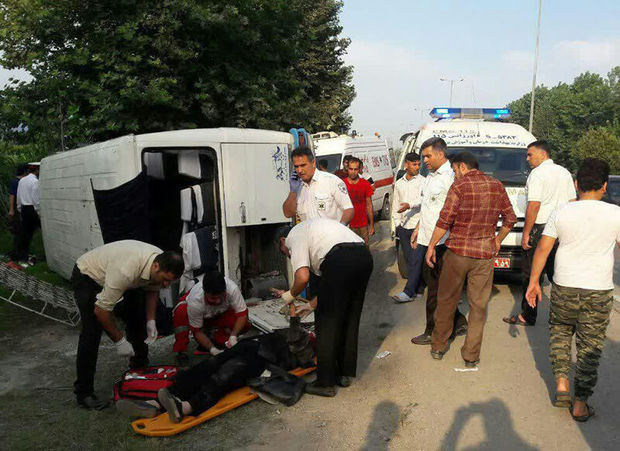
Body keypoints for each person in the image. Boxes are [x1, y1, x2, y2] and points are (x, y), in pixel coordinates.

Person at [525, 158, 620, 422]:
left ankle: (562, 386)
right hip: (598, 289)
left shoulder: (561, 212)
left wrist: (534, 281)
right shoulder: (616, 214)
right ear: (604, 186)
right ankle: (580, 404)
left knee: (560, 335)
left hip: (564, 285)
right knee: (590, 346)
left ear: (576, 184)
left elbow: (543, 249)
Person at [117, 309, 315, 422]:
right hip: (253, 345)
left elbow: (301, 356)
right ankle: (157, 403)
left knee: (226, 373)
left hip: (266, 359)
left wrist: (302, 333)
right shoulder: (309, 326)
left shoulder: (314, 347)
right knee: (212, 363)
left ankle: (185, 407)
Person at [72, 240, 184, 410]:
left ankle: (139, 366)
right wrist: (119, 341)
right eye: (166, 280)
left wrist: (151, 320)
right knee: (91, 332)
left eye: (171, 282)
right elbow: (101, 311)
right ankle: (84, 393)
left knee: (136, 317)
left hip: (125, 273)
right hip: (89, 275)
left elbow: (153, 288)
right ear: (155, 267)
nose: (166, 285)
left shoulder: (160, 262)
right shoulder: (125, 271)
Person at [428, 152, 517, 365]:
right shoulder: (496, 185)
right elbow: (510, 218)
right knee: (478, 307)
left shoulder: (459, 187)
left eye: (454, 169)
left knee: (446, 300)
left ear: (461, 167)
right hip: (484, 256)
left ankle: (439, 346)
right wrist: (497, 240)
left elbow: (444, 220)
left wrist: (431, 245)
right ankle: (471, 355)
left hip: (457, 253)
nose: (454, 174)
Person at [276, 218, 373, 397]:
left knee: (326, 322)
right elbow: (332, 287)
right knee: (349, 315)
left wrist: (289, 295)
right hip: (363, 256)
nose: (288, 256)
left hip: (340, 259)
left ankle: (325, 383)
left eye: (285, 253)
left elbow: (303, 277)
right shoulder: (314, 232)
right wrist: (311, 305)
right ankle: (344, 373)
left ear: (283, 241)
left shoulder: (293, 237)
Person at [504, 140, 576, 327]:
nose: (527, 159)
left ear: (543, 154)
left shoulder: (537, 174)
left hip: (542, 229)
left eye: (530, 154)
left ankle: (528, 315)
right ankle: (568, 314)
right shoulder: (565, 172)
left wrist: (527, 233)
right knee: (558, 273)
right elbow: (572, 201)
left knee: (531, 273)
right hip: (562, 228)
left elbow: (534, 205)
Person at [410, 138, 467, 345]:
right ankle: (459, 322)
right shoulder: (430, 176)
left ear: (441, 154)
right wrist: (418, 229)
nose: (424, 160)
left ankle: (432, 331)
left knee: (435, 291)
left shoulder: (450, 178)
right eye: (423, 156)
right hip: (428, 239)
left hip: (442, 243)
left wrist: (437, 242)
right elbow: (428, 207)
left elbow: (452, 213)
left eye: (427, 156)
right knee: (438, 287)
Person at [172, 271, 250, 366]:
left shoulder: (232, 289)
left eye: (220, 297)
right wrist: (212, 350)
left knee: (244, 324)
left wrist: (233, 336)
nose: (217, 301)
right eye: (213, 298)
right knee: (181, 313)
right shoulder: (195, 301)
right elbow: (197, 331)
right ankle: (181, 352)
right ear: (205, 293)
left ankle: (221, 341)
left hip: (218, 313)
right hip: (199, 314)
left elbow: (242, 315)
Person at [282, 147, 354, 224]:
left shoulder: (332, 181)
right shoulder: (297, 187)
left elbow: (349, 209)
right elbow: (288, 214)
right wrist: (293, 192)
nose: (299, 170)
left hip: (331, 234)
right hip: (309, 234)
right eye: (296, 166)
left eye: (303, 165)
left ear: (313, 163)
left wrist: (339, 228)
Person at [391, 153, 425, 303]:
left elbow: (424, 200)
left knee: (417, 259)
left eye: (419, 164)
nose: (417, 167)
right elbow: (395, 205)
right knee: (410, 259)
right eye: (414, 164)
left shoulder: (424, 182)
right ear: (406, 165)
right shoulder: (399, 183)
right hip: (404, 226)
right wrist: (396, 225)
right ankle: (419, 288)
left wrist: (410, 205)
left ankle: (408, 291)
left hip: (418, 226)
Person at [344, 157, 375, 243]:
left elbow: (369, 205)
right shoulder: (342, 184)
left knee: (364, 251)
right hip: (348, 225)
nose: (353, 172)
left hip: (363, 225)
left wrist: (371, 225)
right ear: (347, 168)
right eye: (351, 169)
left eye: (355, 169)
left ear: (359, 169)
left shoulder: (365, 184)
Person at [15, 162, 40, 266]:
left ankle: (22, 258)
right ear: (37, 170)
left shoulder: (22, 180)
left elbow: (19, 197)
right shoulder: (35, 181)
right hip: (32, 209)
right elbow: (36, 199)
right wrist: (39, 212)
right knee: (47, 231)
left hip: (24, 208)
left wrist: (20, 209)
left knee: (25, 234)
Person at [8, 163, 28, 261]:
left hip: (22, 208)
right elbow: (12, 196)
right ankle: (16, 253)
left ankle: (21, 251)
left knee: (22, 231)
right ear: (24, 171)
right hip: (17, 209)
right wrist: (11, 210)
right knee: (18, 231)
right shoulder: (16, 182)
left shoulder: (22, 181)